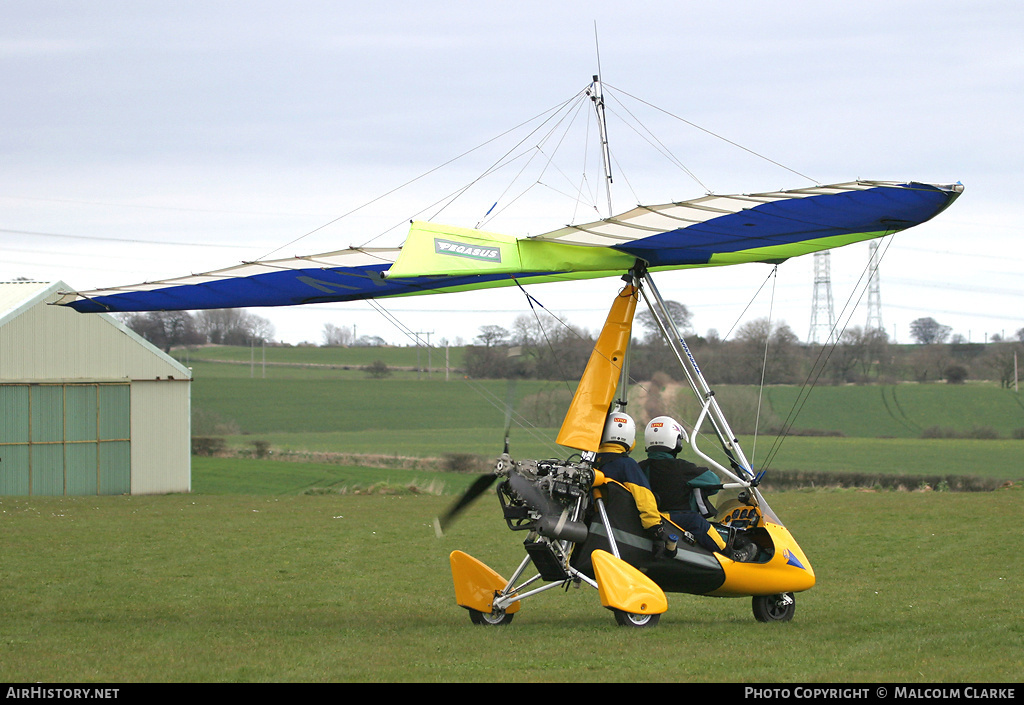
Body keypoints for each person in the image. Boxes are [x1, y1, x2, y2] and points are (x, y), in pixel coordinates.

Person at [638, 416, 757, 561]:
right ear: (675, 442)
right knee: (695, 520)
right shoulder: (683, 468)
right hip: (672, 521)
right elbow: (713, 483)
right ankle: (731, 554)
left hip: (649, 520)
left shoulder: (639, 468)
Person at [592, 410, 673, 556]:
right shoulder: (626, 464)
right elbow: (644, 498)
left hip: (593, 525)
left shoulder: (592, 463)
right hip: (618, 529)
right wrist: (655, 529)